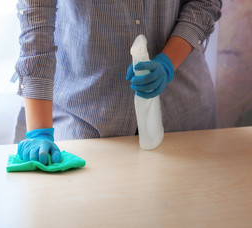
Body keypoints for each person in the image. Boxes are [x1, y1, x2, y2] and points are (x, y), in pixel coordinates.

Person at [15, 0, 222, 165]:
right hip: (85, 119)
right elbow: (36, 32)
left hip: (182, 110)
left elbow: (204, 2)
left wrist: (168, 62)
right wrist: (39, 132)